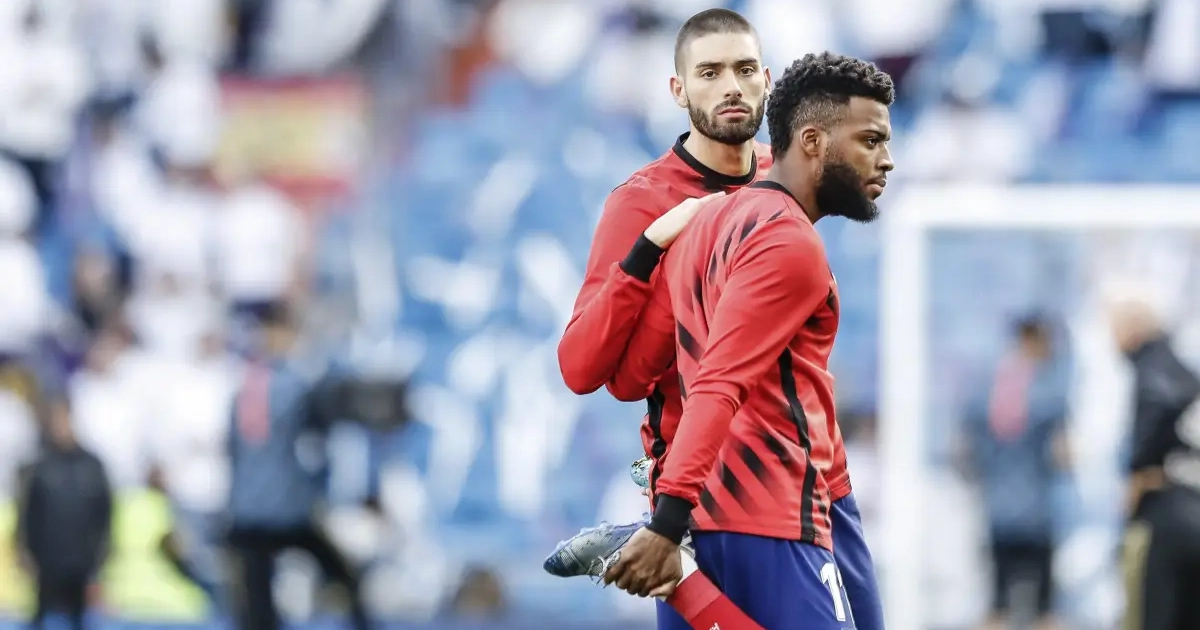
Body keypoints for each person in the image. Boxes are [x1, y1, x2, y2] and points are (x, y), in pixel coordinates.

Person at [556, 9, 887, 630]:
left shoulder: (784, 176)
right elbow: (589, 370)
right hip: (710, 485)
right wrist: (650, 251)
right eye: (709, 73)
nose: (730, 86)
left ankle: (680, 579)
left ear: (767, 80)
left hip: (814, 470)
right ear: (678, 90)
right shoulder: (643, 201)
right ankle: (679, 575)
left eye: (744, 69)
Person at [225, 303, 371, 630]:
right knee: (338, 575)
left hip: (251, 506)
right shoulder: (290, 382)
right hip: (282, 507)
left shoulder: (244, 384)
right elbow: (321, 419)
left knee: (258, 598)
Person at [962, 316, 1069, 630]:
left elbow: (967, 450)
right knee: (1044, 608)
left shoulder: (987, 388)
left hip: (998, 507)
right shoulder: (1048, 391)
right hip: (1037, 510)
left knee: (997, 601)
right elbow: (1063, 454)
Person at [1110, 297, 1200, 630]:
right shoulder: (1182, 368)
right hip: (1190, 506)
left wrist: (1138, 469)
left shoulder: (1150, 368)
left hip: (1165, 509)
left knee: (1151, 614)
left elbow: (1159, 403)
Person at [18, 395, 113, 630]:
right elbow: (28, 512)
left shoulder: (92, 465)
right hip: (48, 562)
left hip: (82, 562)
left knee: (80, 619)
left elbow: (104, 514)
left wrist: (100, 555)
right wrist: (26, 550)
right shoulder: (40, 465)